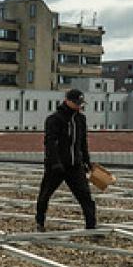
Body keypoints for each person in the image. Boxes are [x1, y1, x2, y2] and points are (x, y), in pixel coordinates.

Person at [36, 88, 96, 231]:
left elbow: (82, 142)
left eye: (80, 103)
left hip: (75, 165)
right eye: (75, 103)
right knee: (45, 194)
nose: (78, 106)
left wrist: (87, 161)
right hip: (56, 166)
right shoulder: (54, 119)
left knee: (85, 196)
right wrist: (55, 162)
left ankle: (91, 226)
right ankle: (40, 222)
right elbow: (50, 143)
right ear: (67, 101)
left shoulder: (80, 119)